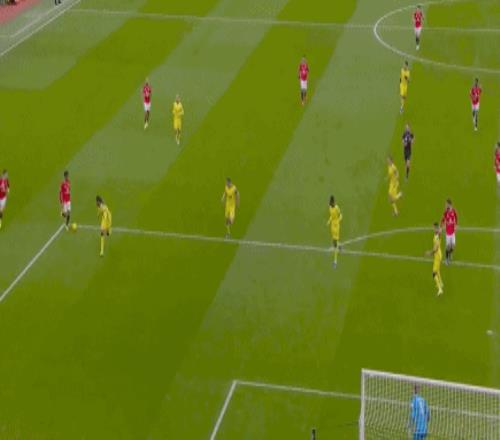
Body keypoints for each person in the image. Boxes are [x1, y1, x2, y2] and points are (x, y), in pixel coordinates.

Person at [426, 223, 444, 296]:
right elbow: (441, 230)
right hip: (439, 254)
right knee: (438, 270)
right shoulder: (437, 234)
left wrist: (429, 253)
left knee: (434, 273)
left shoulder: (437, 237)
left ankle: (440, 289)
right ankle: (441, 283)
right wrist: (440, 228)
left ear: (436, 228)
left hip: (437, 256)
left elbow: (435, 248)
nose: (433, 229)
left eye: (434, 228)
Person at [327, 195, 342, 269]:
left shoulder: (337, 207)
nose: (330, 203)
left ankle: (335, 261)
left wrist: (338, 221)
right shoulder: (330, 208)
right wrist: (329, 221)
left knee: (335, 243)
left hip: (336, 226)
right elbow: (331, 216)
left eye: (331, 202)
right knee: (334, 241)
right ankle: (339, 246)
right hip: (332, 226)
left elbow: (341, 215)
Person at [440, 199, 458, 265]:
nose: (445, 205)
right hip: (448, 233)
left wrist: (456, 225)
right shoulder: (446, 212)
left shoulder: (454, 211)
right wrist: (441, 227)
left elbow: (456, 218)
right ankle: (447, 259)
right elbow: (442, 220)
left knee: (453, 246)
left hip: (453, 232)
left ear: (450, 204)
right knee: (448, 246)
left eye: (446, 204)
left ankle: (450, 254)